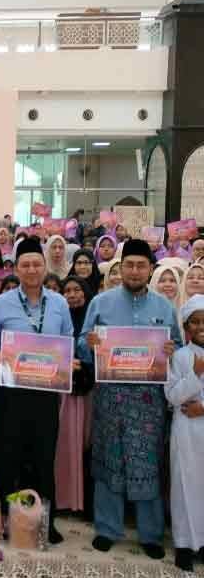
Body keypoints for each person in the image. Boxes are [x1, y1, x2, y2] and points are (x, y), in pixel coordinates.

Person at [79, 239, 180, 560]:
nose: (135, 271)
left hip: (149, 401)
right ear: (119, 269)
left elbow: (176, 344)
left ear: (151, 269)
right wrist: (90, 343)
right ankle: (107, 528)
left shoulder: (164, 307)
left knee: (146, 462)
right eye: (129, 265)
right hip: (110, 397)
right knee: (110, 457)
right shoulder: (101, 302)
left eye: (141, 266)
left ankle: (150, 534)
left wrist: (171, 350)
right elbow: (82, 343)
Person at [0, 237, 73, 544]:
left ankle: (45, 522)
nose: (32, 269)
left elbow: (68, 341)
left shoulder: (59, 303)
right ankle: (7, 520)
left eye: (37, 263)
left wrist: (69, 361)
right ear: (17, 268)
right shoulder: (2, 303)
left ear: (45, 266)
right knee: (8, 457)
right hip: (11, 393)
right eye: (25, 265)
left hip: (46, 394)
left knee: (44, 458)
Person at [165, 294, 204, 572]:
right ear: (187, 327)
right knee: (184, 486)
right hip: (185, 432)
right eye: (195, 322)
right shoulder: (178, 357)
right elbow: (172, 396)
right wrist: (195, 375)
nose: (201, 326)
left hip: (201, 421)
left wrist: (202, 408)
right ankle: (183, 544)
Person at [57, 275, 95, 515]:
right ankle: (65, 500)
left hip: (89, 389)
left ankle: (85, 502)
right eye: (67, 290)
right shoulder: (59, 319)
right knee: (65, 443)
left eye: (77, 289)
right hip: (63, 390)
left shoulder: (94, 319)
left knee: (87, 443)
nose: (72, 294)